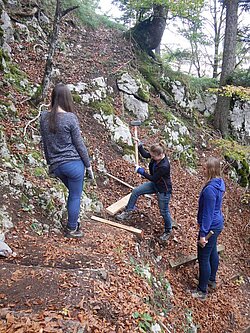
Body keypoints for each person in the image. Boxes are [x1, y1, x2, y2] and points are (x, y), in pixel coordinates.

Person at [40, 83, 94, 238]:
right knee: (75, 195)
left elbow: (45, 143)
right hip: (74, 165)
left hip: (57, 166)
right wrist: (88, 166)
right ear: (67, 99)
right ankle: (71, 228)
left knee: (73, 193)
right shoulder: (70, 118)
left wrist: (50, 164)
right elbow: (79, 144)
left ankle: (74, 222)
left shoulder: (44, 117)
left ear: (53, 97)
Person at [116, 140, 173, 241]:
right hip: (155, 185)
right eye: (151, 155)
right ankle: (128, 212)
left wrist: (141, 171)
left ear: (160, 155)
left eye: (153, 156)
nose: (151, 157)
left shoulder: (164, 166)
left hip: (163, 190)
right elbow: (145, 154)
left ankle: (168, 230)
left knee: (164, 211)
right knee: (136, 191)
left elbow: (153, 178)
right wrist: (140, 146)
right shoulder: (155, 157)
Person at [192, 157, 225, 300]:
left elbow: (208, 214)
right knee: (212, 252)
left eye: (205, 168)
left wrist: (203, 234)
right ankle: (211, 280)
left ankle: (202, 291)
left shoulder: (210, 190)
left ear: (211, 170)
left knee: (203, 257)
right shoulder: (219, 183)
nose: (203, 170)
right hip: (217, 224)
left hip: (211, 226)